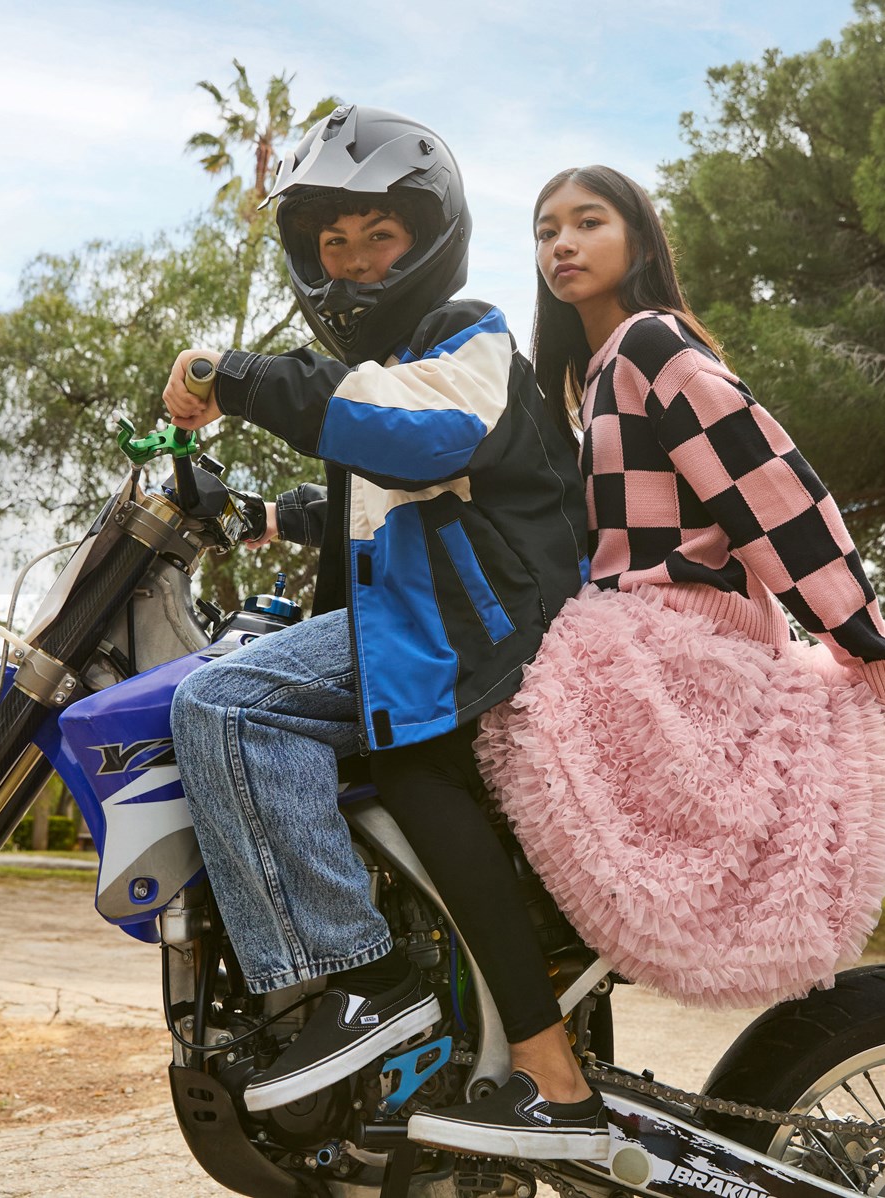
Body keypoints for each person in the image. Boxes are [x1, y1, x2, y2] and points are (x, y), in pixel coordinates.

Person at [163, 106, 610, 1160]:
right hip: (449, 621)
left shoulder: (471, 332)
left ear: (427, 240)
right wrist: (275, 518)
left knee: (223, 702)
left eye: (378, 238)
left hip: (490, 627)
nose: (355, 262)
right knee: (415, 785)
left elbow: (415, 441)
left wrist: (231, 375)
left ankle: (369, 986)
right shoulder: (393, 370)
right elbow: (394, 502)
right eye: (333, 243)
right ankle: (547, 1071)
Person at [450, 165, 885, 1026]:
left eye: (587, 222)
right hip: (644, 640)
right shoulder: (597, 374)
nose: (560, 243)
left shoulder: (652, 345)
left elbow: (776, 497)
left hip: (677, 644)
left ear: (638, 238)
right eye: (544, 230)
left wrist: (874, 652)